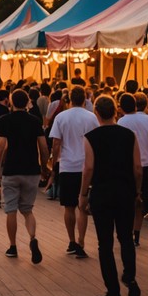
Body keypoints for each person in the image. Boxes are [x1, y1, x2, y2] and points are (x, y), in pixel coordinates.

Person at [81, 95, 142, 296]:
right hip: (125, 191)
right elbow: (137, 168)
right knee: (125, 237)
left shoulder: (91, 137)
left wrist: (83, 193)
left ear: (96, 112)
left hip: (102, 193)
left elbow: (88, 168)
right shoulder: (129, 135)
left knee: (104, 243)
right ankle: (130, 275)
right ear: (115, 111)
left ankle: (113, 291)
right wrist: (137, 191)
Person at [0, 89, 50, 264]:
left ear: (11, 101)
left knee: (11, 209)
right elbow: (43, 147)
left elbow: (2, 145)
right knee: (27, 210)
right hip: (31, 170)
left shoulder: (5, 120)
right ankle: (33, 237)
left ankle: (12, 246)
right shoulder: (34, 121)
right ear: (28, 102)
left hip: (12, 169)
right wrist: (44, 167)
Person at [49, 85, 98, 258]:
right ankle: (81, 240)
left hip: (67, 166)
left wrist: (54, 163)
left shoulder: (61, 117)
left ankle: (71, 241)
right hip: (86, 167)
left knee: (69, 207)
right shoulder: (92, 118)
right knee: (82, 206)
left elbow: (56, 143)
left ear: (69, 99)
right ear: (84, 99)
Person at [118, 92, 148, 246]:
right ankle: (137, 234)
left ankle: (127, 232)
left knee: (127, 200)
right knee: (140, 201)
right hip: (147, 164)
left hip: (128, 165)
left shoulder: (122, 122)